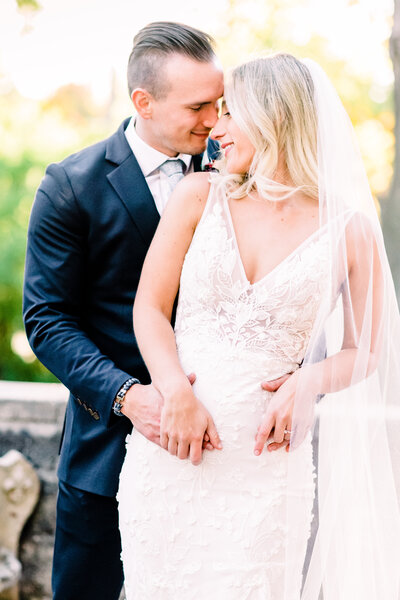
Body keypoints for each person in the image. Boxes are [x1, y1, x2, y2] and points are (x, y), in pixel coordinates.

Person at [118, 53, 400, 599]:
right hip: (172, 457)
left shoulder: (351, 230)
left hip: (268, 469)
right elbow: (149, 308)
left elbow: (367, 350)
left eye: (230, 111)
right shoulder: (199, 196)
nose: (215, 127)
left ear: (273, 117)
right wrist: (173, 389)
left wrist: (308, 382)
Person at [23, 21, 227, 600]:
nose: (214, 120)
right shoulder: (72, 186)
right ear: (144, 101)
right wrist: (128, 397)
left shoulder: (240, 172)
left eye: (220, 103)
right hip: (107, 450)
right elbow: (46, 320)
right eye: (197, 106)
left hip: (226, 453)